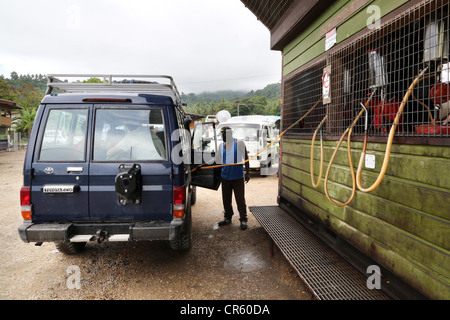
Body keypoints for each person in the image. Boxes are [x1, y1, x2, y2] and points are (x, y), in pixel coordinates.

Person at [216, 126, 250, 230]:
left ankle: (243, 219)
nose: (222, 137)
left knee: (240, 200)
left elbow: (246, 158)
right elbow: (217, 160)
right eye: (221, 135)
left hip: (237, 177)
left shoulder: (239, 143)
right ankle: (227, 218)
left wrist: (247, 173)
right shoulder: (221, 146)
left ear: (230, 134)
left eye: (223, 135)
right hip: (225, 177)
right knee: (226, 200)